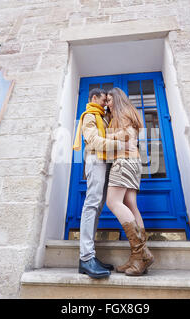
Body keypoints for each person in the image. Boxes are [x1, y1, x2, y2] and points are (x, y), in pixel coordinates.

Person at [72, 87, 128, 279]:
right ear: (94, 98)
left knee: (97, 206)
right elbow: (95, 141)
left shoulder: (102, 116)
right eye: (103, 100)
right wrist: (120, 145)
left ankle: (88, 258)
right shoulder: (89, 116)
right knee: (92, 205)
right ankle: (86, 257)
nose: (105, 104)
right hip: (95, 160)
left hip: (104, 163)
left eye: (107, 101)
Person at [105, 87, 154, 276]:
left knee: (113, 201)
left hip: (124, 161)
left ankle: (140, 254)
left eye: (109, 100)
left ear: (117, 100)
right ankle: (140, 256)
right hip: (134, 161)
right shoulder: (131, 112)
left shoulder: (122, 114)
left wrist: (105, 136)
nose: (107, 104)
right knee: (131, 204)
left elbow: (125, 137)